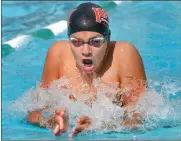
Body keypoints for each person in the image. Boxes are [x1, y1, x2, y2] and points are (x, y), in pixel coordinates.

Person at [27, 2, 147, 137]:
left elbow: (138, 117)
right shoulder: (58, 54)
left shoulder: (125, 55)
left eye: (95, 41)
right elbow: (34, 112)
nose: (86, 51)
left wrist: (98, 126)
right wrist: (52, 122)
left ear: (108, 39)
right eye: (76, 42)